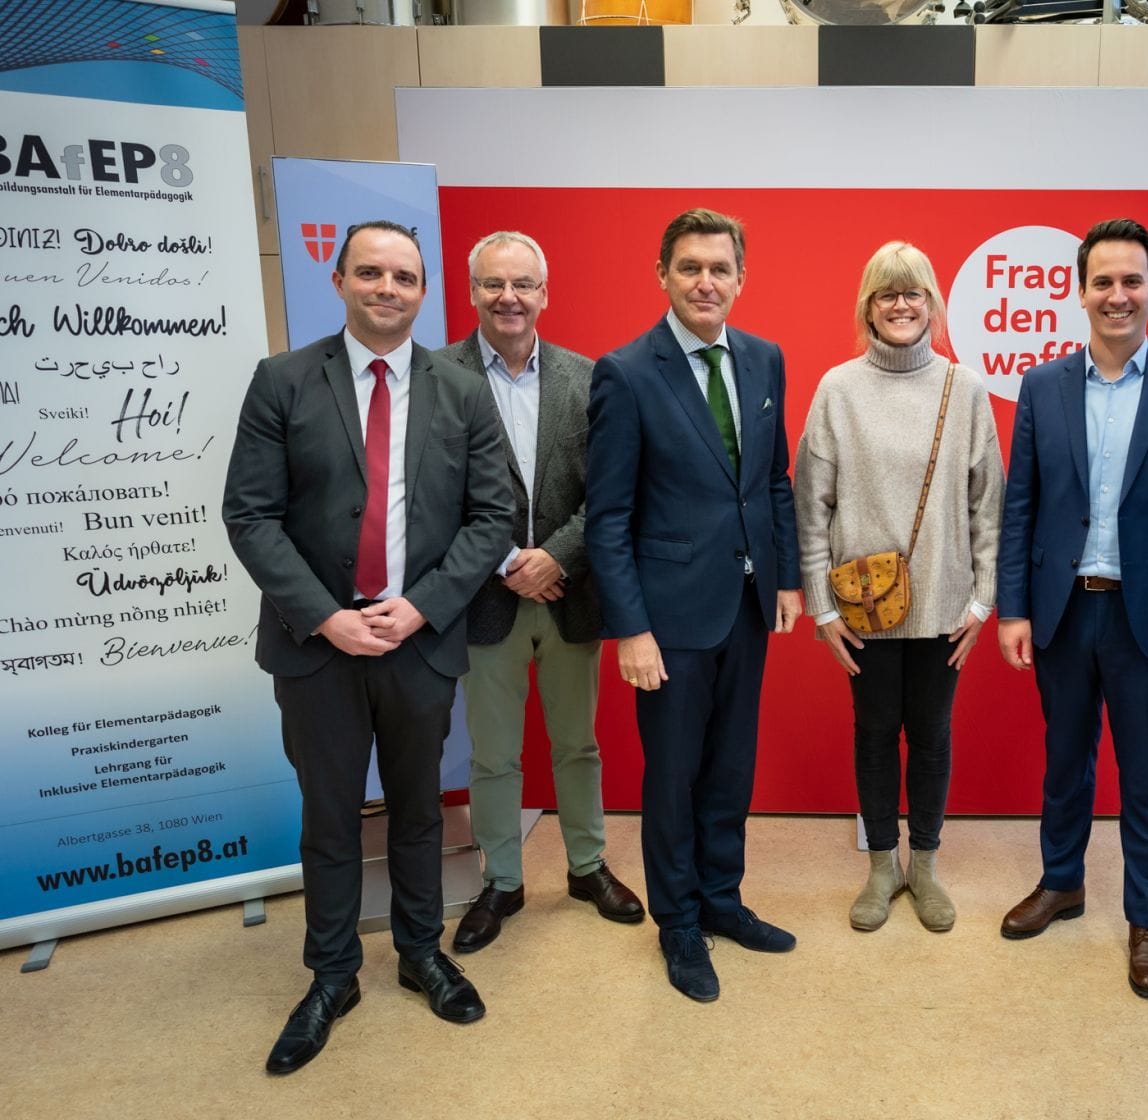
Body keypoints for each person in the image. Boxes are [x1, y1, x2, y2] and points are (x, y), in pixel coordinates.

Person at [223, 220, 514, 1073]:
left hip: (417, 644)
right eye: (372, 273)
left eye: (406, 277)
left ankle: (422, 953)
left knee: (421, 811)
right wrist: (325, 615)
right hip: (318, 647)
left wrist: (421, 607)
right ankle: (332, 974)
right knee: (330, 817)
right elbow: (250, 514)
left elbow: (491, 515)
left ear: (425, 291)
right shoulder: (281, 381)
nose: (388, 288)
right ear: (341, 280)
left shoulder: (462, 392)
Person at [996, 218, 1148, 1000]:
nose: (1118, 295)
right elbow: (1019, 506)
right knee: (1064, 762)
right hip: (1063, 611)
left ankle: (1147, 920)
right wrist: (1014, 609)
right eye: (1103, 281)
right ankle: (1061, 882)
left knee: (1145, 776)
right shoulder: (1042, 386)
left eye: (1133, 281)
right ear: (1080, 290)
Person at [585, 208, 802, 1002]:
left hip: (747, 605)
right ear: (663, 276)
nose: (705, 281)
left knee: (730, 768)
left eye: (720, 268)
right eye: (689, 267)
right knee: (673, 777)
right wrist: (631, 629)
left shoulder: (764, 359)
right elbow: (608, 517)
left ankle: (721, 899)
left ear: (741, 279)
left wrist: (784, 580)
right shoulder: (627, 372)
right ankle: (678, 924)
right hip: (667, 619)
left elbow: (772, 479)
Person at [438, 231, 645, 955]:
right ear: (472, 293)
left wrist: (553, 556)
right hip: (485, 600)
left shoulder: (589, 379)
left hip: (569, 594)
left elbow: (613, 493)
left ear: (545, 294)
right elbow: (433, 497)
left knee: (577, 744)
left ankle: (587, 867)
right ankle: (502, 880)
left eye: (523, 284)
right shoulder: (437, 376)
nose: (509, 298)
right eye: (494, 284)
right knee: (492, 756)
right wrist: (502, 561)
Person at [794, 242, 1004, 934]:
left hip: (945, 605)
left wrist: (981, 600)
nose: (901, 304)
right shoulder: (838, 389)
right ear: (868, 307)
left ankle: (927, 866)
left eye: (913, 292)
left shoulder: (963, 387)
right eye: (887, 293)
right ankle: (883, 864)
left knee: (933, 734)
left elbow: (987, 505)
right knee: (876, 732)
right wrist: (822, 609)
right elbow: (810, 505)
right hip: (863, 609)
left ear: (932, 304)